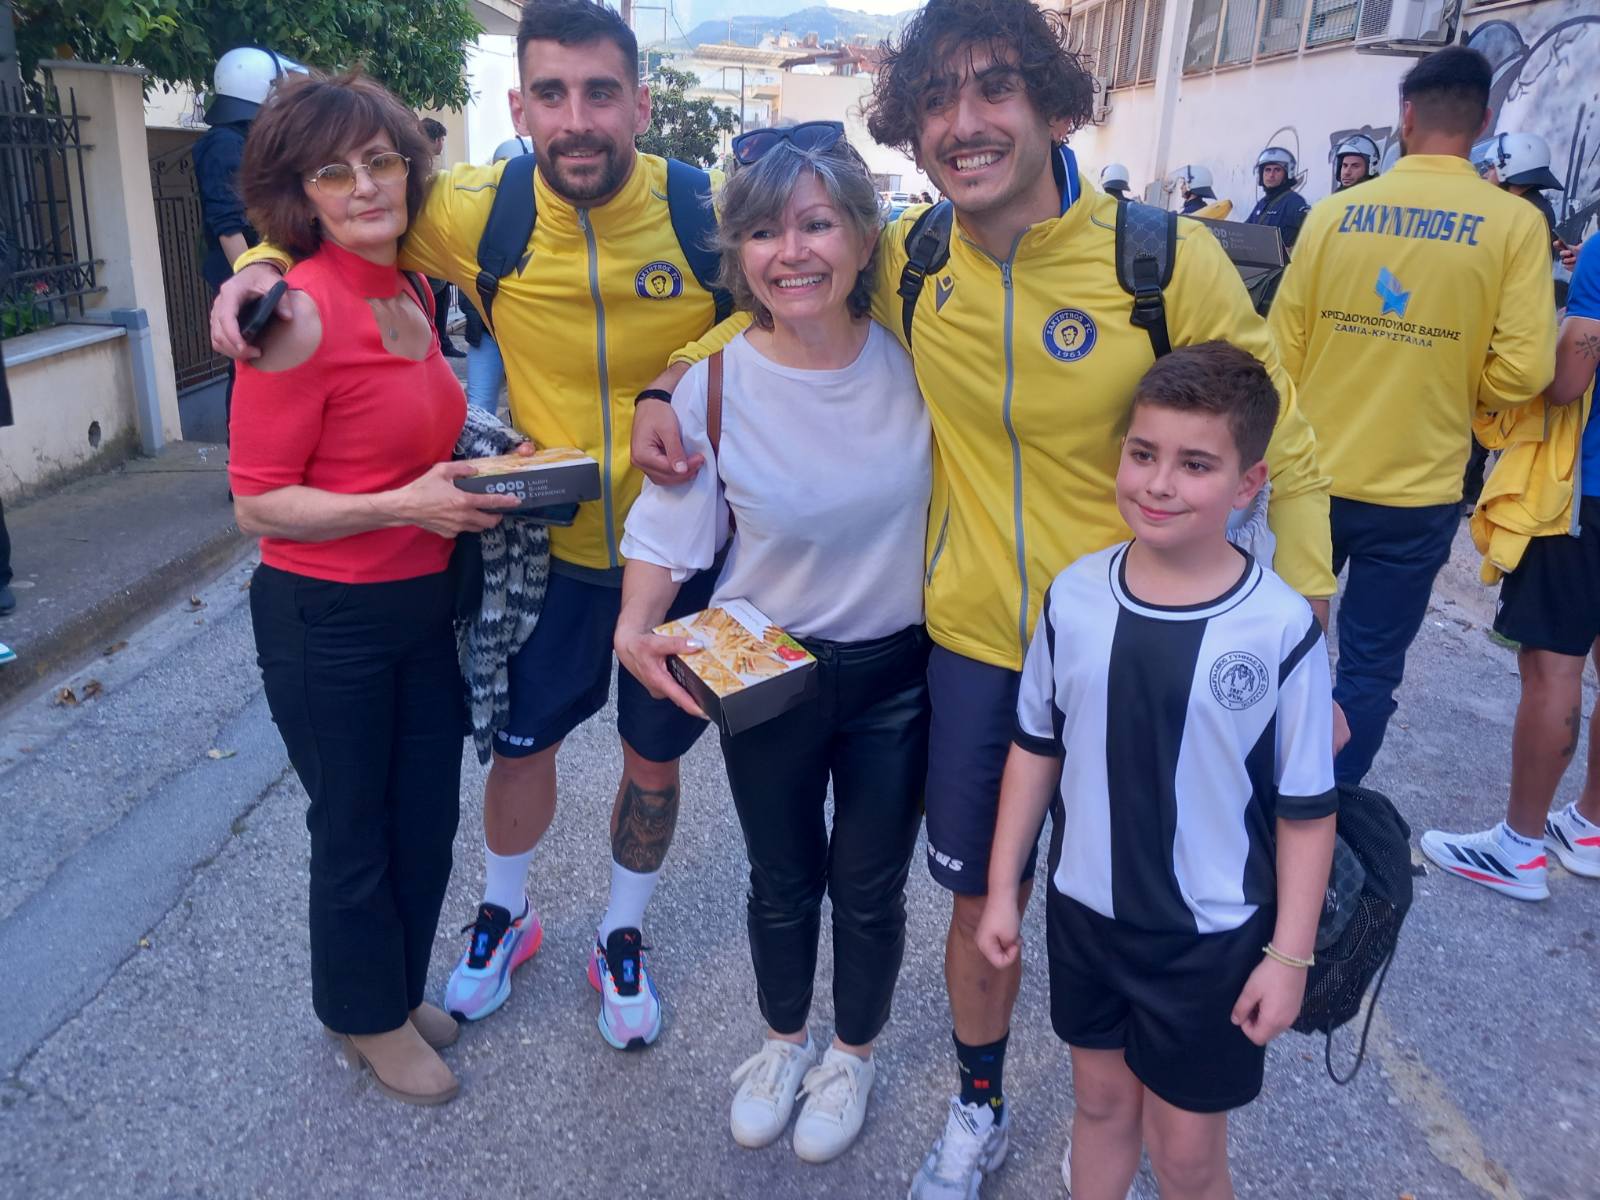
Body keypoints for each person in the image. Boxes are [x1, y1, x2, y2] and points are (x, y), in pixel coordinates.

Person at [631, 1, 1337, 1192]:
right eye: (936, 100)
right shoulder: (912, 262)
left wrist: (1306, 645)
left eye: (994, 88)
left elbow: (1290, 446)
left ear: (1054, 106)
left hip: (1139, 653)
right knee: (980, 900)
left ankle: (1128, 1113)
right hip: (974, 648)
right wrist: (666, 382)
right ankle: (979, 1107)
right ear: (911, 131)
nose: (964, 122)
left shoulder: (1159, 260)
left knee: (1158, 906)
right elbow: (784, 305)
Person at [213, 0, 729, 1051]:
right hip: (549, 551)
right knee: (521, 749)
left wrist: (677, 373)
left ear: (640, 103)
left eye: (599, 93)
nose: (576, 118)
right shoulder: (473, 211)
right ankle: (505, 913)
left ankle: (621, 933)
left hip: (680, 556)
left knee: (653, 757)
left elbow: (779, 295)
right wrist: (257, 266)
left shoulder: (701, 209)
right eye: (551, 94)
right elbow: (325, 203)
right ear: (518, 106)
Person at [617, 125, 931, 1164]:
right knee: (780, 878)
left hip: (897, 674)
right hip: (767, 674)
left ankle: (853, 1055)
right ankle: (784, 1044)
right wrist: (633, 625)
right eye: (761, 232)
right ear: (738, 255)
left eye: (816, 224)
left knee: (869, 889)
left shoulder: (920, 360)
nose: (790, 252)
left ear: (863, 237)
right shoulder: (711, 383)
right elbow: (671, 528)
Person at [977, 342, 1335, 1200]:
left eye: (1196, 465)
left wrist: (1290, 957)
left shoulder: (1279, 627)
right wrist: (1000, 889)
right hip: (1086, 919)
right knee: (1101, 1109)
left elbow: (1307, 809)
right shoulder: (1074, 596)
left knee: (1184, 1157)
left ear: (1248, 484)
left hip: (1209, 941)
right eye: (1143, 454)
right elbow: (1036, 747)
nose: (1159, 483)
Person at [228, 71, 521, 1105]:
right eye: (332, 172)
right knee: (353, 826)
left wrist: (486, 475)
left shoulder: (410, 291)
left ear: (409, 169)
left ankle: (390, 991)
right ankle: (361, 1016)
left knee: (421, 817)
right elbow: (257, 505)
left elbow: (408, 443)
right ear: (300, 195)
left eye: (381, 161)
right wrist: (409, 505)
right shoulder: (294, 315)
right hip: (327, 616)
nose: (363, 187)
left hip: (418, 603)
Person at [1268, 45, 1556, 789]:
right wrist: (1460, 383)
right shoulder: (1513, 224)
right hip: (1418, 491)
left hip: (1309, 479)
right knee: (1369, 668)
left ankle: (1251, 798)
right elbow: (1527, 371)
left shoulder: (1333, 215)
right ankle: (1327, 809)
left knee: (1278, 647)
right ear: (1484, 123)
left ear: (1404, 117)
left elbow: (1280, 353)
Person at [1423, 238, 1600, 899]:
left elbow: (1567, 382)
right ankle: (1589, 827)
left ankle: (1519, 849)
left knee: (1553, 668)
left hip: (1584, 497)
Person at [463, 136, 536, 414]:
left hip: (530, 335)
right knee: (479, 410)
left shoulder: (554, 219)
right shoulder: (475, 214)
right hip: (487, 332)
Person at [418, 118, 466, 358]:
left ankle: (441, 344)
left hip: (433, 246)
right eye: (442, 139)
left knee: (442, 298)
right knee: (434, 301)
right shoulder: (423, 166)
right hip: (429, 246)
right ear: (436, 139)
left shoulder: (424, 163)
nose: (443, 144)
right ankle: (436, 345)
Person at [1244, 145, 1308, 252]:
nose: (1271, 175)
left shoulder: (1294, 202)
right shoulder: (1261, 204)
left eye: (1277, 170)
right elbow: (1243, 233)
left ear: (1287, 173)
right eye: (1267, 170)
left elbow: (1311, 236)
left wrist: (1292, 251)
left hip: (1284, 263)